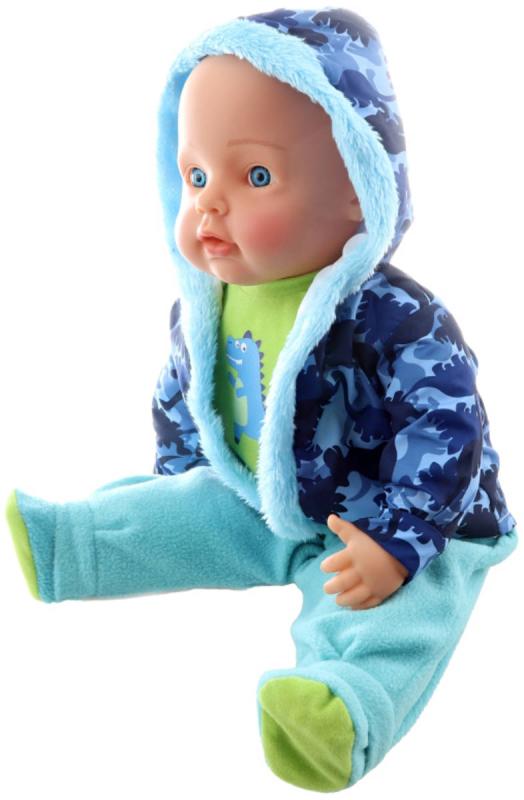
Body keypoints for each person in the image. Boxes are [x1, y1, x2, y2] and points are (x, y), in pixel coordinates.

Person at [5, 7, 518, 792]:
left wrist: (399, 540)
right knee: (179, 513)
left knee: (399, 612)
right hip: (260, 498)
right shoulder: (207, 304)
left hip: (396, 519)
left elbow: (447, 426)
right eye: (196, 177)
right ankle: (77, 544)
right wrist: (182, 478)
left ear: (359, 189)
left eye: (255, 177)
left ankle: (341, 704)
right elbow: (187, 397)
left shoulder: (394, 318)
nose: (209, 205)